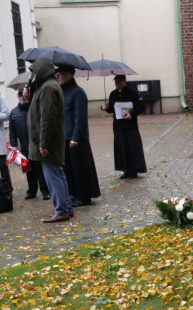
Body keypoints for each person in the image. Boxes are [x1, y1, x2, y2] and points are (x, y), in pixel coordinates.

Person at [29, 58, 73, 223]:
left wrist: (43, 143)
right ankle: (66, 208)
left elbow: (47, 117)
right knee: (58, 174)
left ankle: (61, 210)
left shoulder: (48, 88)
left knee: (53, 176)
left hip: (49, 141)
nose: (32, 75)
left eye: (34, 72)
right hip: (51, 140)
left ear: (41, 72)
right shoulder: (47, 86)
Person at [55, 64, 100, 206]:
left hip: (76, 138)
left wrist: (75, 137)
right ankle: (73, 194)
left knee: (80, 168)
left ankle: (84, 196)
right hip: (64, 136)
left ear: (70, 74)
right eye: (57, 74)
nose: (58, 77)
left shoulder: (78, 92)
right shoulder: (61, 92)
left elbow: (79, 118)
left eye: (60, 74)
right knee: (69, 169)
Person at [9, 85, 49, 200]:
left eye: (24, 94)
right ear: (18, 96)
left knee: (39, 170)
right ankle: (31, 190)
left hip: (36, 145)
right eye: (20, 95)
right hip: (24, 146)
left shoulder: (32, 109)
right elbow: (12, 132)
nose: (22, 97)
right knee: (28, 170)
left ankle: (45, 191)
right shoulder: (14, 113)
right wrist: (13, 145)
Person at [104, 74, 147, 179]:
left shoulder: (132, 93)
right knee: (121, 148)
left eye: (119, 81)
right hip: (118, 126)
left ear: (124, 81)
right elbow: (111, 110)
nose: (117, 83)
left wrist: (131, 114)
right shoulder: (113, 94)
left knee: (132, 148)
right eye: (115, 81)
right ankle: (125, 170)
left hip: (130, 126)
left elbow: (141, 106)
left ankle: (134, 171)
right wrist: (105, 107)